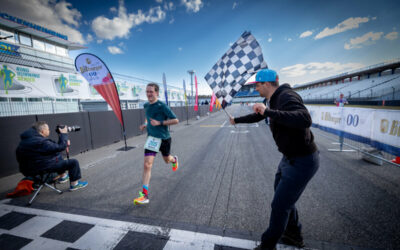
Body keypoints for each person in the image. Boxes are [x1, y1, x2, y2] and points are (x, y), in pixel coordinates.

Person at [230, 69, 319, 250]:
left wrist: (269, 112)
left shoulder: (286, 95)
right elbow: (259, 115)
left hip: (302, 161)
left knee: (279, 206)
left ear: (267, 84)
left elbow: (305, 118)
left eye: (257, 85)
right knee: (284, 198)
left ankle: (267, 245)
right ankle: (294, 235)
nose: (255, 88)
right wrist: (237, 120)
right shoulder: (272, 99)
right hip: (290, 158)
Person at [134, 83, 179, 205]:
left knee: (166, 159)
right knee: (147, 165)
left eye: (151, 92)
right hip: (152, 139)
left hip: (164, 139)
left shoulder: (162, 106)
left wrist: (160, 123)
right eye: (147, 92)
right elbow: (148, 117)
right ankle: (144, 195)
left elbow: (176, 120)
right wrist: (146, 124)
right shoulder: (146, 105)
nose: (149, 94)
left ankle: (174, 159)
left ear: (157, 93)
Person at [16, 121, 88, 191]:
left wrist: (62, 141)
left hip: (27, 170)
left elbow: (54, 148)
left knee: (56, 155)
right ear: (43, 131)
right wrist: (64, 134)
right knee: (73, 162)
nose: (49, 131)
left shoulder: (26, 141)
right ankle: (75, 185)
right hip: (41, 168)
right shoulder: (40, 141)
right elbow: (60, 147)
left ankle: (63, 176)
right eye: (48, 129)